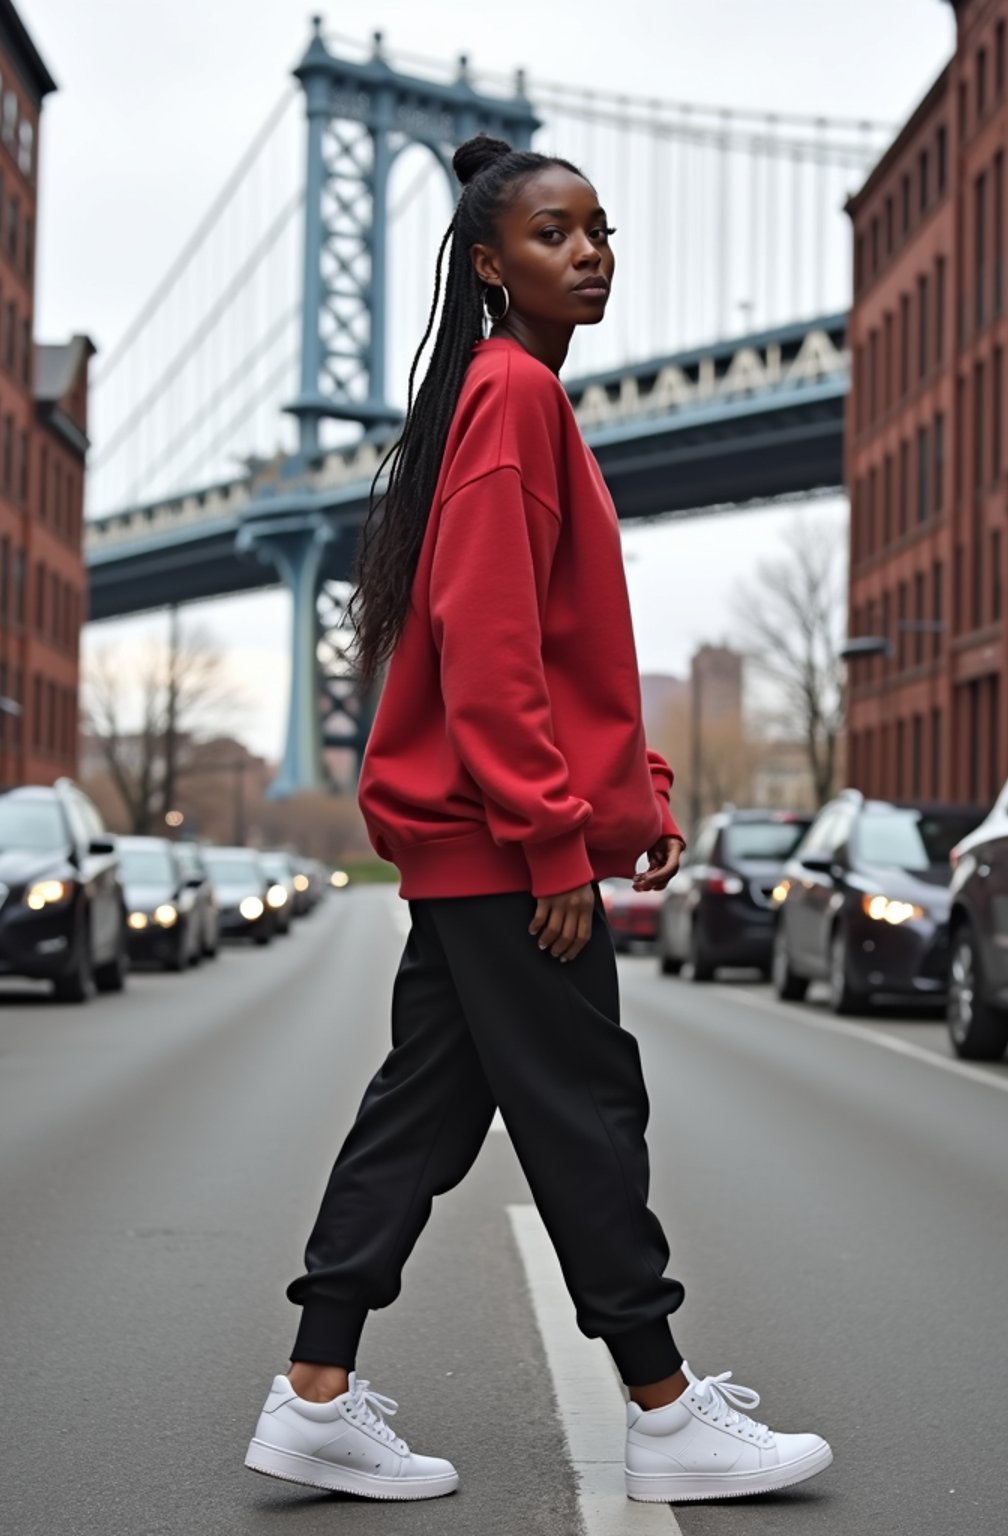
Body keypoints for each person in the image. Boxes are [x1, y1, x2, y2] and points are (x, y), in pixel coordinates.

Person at [244, 133, 833, 1506]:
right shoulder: (513, 397)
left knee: (425, 1114)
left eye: (601, 231)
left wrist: (638, 795)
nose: (591, 254)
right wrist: (556, 840)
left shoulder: (501, 397)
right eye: (555, 235)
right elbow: (488, 638)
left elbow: (548, 649)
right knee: (585, 1107)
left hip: (477, 846)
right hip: (509, 854)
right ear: (489, 263)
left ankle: (316, 1390)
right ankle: (666, 1401)